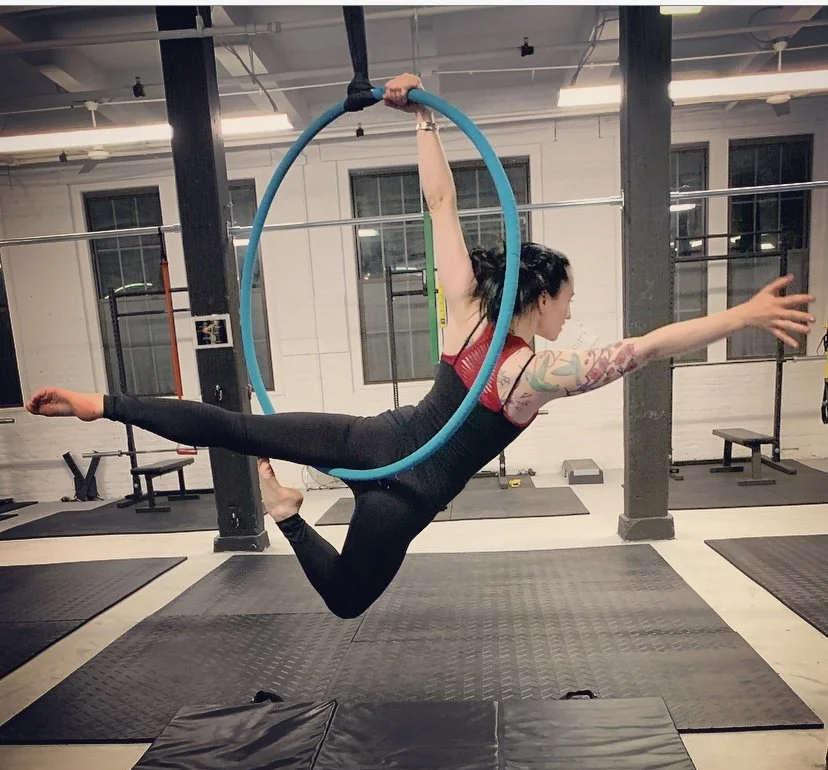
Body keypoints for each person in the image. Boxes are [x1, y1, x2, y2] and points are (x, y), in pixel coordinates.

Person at [26, 73, 815, 620]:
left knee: (291, 514)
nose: (573, 311)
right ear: (539, 296)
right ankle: (122, 416)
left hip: (379, 453)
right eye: (569, 298)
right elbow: (644, 346)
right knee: (269, 481)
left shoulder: (471, 317)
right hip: (402, 479)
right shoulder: (534, 370)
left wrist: (424, 121)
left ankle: (236, 483)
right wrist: (738, 316)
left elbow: (444, 207)